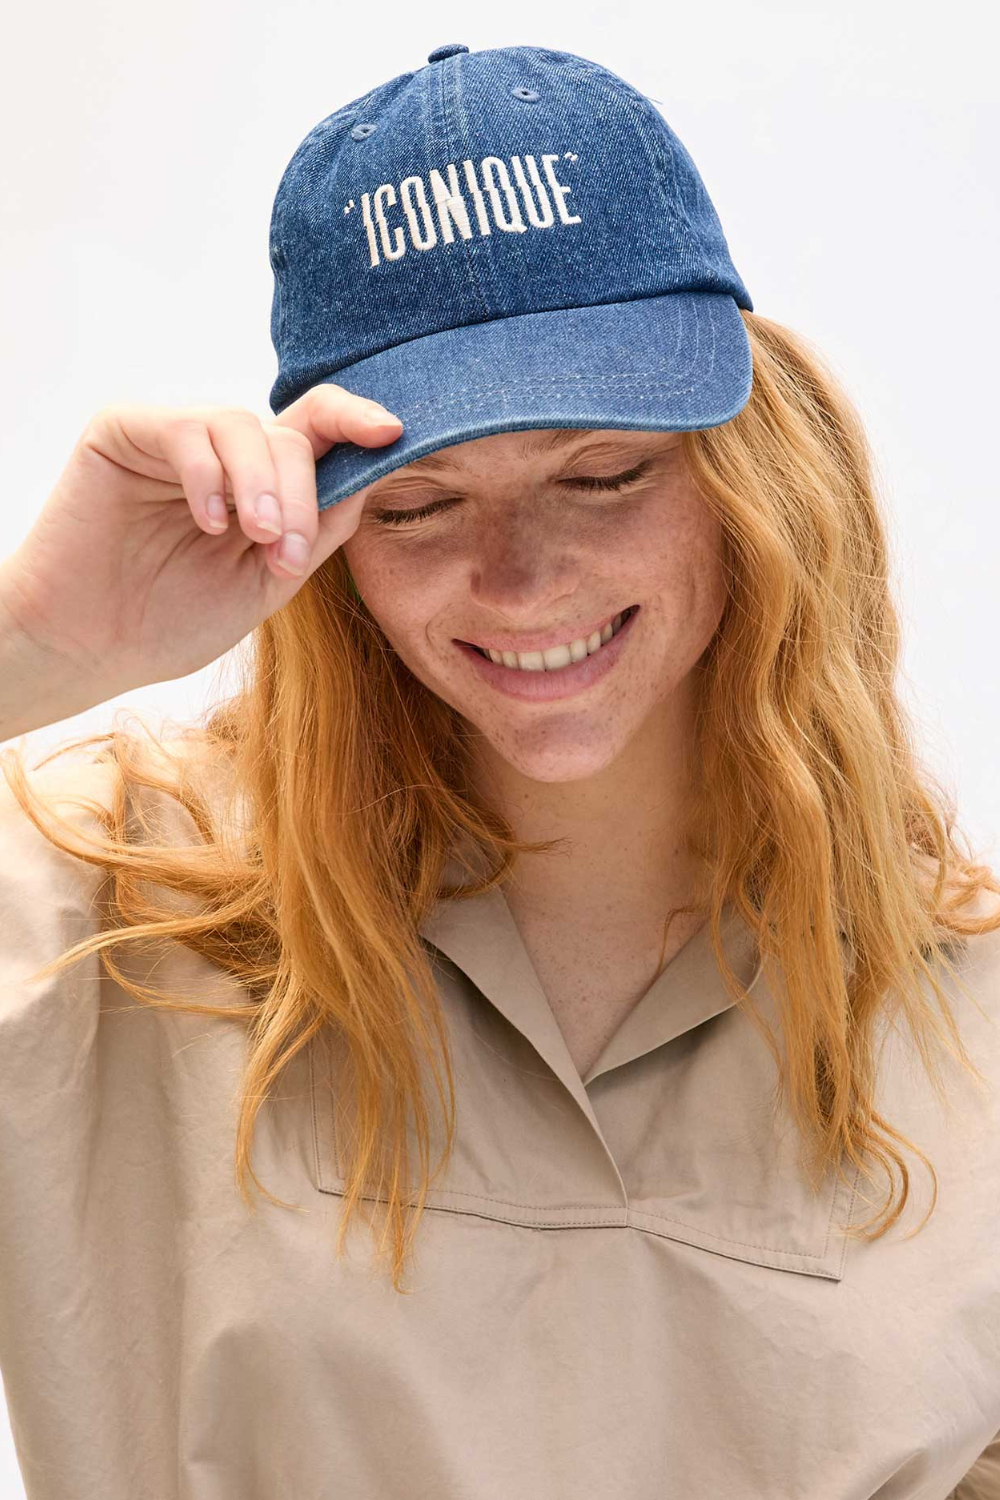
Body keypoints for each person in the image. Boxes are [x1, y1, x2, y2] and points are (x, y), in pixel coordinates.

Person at [0, 38, 997, 1500]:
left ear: (751, 480)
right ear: (322, 534)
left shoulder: (968, 1017)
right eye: (415, 505)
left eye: (605, 474)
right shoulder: (99, 907)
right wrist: (36, 646)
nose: (519, 576)